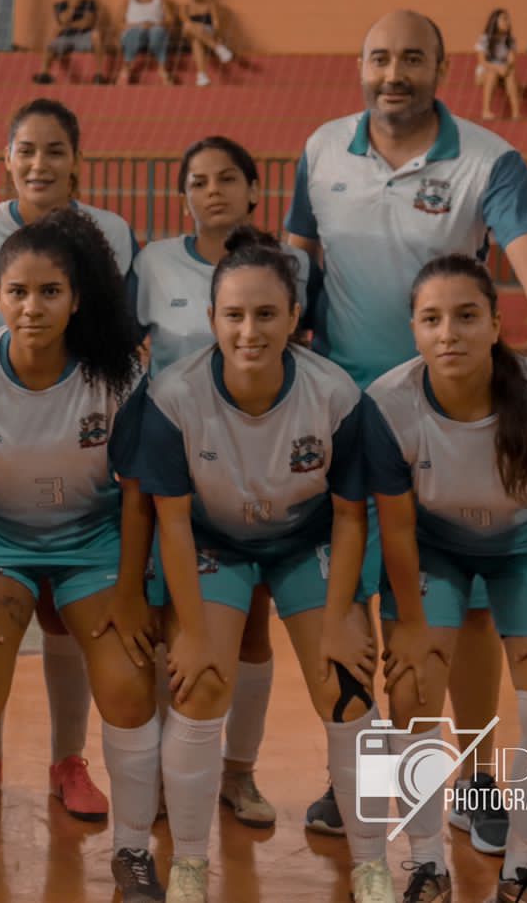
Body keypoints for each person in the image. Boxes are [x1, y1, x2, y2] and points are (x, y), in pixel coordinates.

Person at [284, 9, 527, 870]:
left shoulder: (488, 156)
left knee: (470, 603)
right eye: (380, 57)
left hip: (451, 407)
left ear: (441, 67)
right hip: (350, 407)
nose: (394, 72)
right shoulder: (321, 148)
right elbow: (300, 253)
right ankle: (362, 780)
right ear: (360, 65)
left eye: (412, 58)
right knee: (370, 595)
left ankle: (480, 775)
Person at [135, 227, 388, 903]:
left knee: (349, 688)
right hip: (215, 543)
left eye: (267, 314)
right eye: (234, 315)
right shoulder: (174, 397)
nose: (250, 330)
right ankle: (189, 862)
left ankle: (372, 864)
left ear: (295, 320)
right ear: (212, 318)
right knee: (198, 686)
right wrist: (188, 627)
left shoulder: (334, 396)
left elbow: (351, 515)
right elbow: (174, 523)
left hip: (307, 541)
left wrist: (340, 617)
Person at [0, 210, 159, 903]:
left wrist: (127, 591)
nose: (33, 307)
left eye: (50, 291)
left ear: (76, 297)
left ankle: (133, 854)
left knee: (128, 682)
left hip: (93, 540)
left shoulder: (115, 376)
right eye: (19, 292)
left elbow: (139, 492)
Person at [365, 254, 527, 903]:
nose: (450, 333)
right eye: (432, 319)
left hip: (524, 549)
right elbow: (396, 528)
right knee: (410, 692)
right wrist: (411, 625)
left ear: (497, 324)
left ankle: (525, 870)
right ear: (413, 331)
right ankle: (423, 862)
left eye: (467, 316)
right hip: (435, 548)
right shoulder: (386, 405)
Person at [0, 97, 137, 822]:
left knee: (67, 624)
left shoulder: (112, 233)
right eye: (26, 149)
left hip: (80, 423)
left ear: (77, 160)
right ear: (7, 158)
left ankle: (68, 759)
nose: (39, 163)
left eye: (55, 150)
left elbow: (119, 330)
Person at [130, 136, 319, 833]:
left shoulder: (291, 266)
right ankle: (161, 770)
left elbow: (307, 356)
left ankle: (239, 774)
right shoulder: (153, 262)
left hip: (264, 472)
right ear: (183, 195)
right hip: (176, 472)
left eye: (227, 178)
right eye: (198, 181)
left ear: (252, 190)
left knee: (252, 627)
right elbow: (129, 355)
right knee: (170, 625)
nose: (212, 190)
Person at [33, 0, 104, 85]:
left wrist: (67, 26)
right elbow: (63, 20)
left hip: (83, 37)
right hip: (65, 37)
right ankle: (44, 74)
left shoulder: (89, 3)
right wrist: (72, 6)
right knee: (50, 43)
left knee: (96, 35)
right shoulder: (60, 5)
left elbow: (86, 23)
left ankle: (99, 75)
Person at [115, 0, 175, 86]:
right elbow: (119, 23)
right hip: (134, 31)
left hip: (154, 29)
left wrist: (154, 24)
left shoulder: (160, 0)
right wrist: (137, 25)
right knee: (135, 32)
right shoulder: (128, 1)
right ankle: (126, 69)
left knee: (158, 31)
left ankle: (162, 69)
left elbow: (170, 19)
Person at [179, 0, 235, 88]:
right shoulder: (184, 7)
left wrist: (217, 35)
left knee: (196, 41)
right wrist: (198, 26)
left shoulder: (210, 5)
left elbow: (216, 24)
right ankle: (219, 48)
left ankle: (201, 76)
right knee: (189, 27)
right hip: (189, 32)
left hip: (208, 32)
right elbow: (185, 21)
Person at [474, 9, 522, 121]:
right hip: (486, 70)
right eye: (504, 19)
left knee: (510, 74)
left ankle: (516, 113)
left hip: (503, 70)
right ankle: (486, 111)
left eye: (508, 19)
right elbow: (482, 62)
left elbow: (511, 61)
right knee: (492, 74)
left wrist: (506, 68)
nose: (508, 22)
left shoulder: (510, 40)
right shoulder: (484, 38)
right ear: (495, 21)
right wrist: (497, 68)